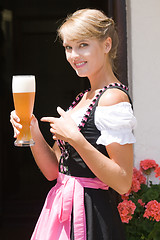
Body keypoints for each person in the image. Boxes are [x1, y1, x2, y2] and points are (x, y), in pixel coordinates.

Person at [10, 8, 137, 240]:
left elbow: (122, 181)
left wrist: (75, 139)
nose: (74, 55)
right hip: (62, 212)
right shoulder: (83, 98)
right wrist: (32, 128)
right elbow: (52, 172)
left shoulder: (112, 98)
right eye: (69, 47)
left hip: (90, 217)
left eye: (83, 45)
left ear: (106, 45)